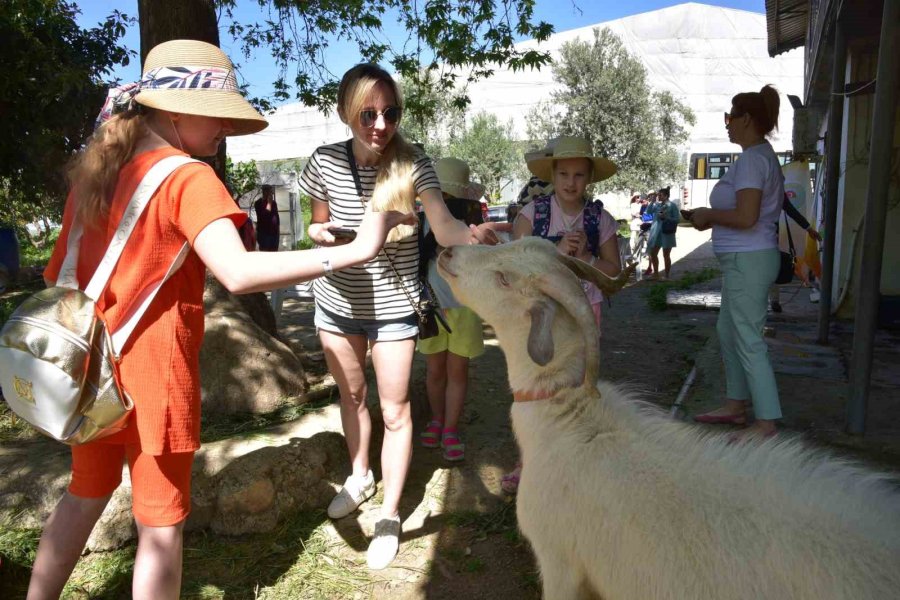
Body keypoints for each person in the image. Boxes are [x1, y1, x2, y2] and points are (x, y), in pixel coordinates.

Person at [26, 41, 413, 600]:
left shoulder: (101, 171)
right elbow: (238, 271)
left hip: (90, 373)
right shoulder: (187, 177)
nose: (225, 131)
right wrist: (357, 249)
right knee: (160, 528)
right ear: (177, 109)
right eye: (219, 116)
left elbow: (57, 275)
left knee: (85, 491)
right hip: (153, 380)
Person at [298, 63, 501, 570]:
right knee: (353, 395)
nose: (381, 124)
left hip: (393, 307)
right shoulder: (323, 161)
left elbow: (446, 224)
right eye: (368, 112)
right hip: (337, 302)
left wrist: (471, 235)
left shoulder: (414, 165)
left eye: (390, 112)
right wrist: (323, 235)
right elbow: (317, 226)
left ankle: (389, 515)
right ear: (348, 112)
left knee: (396, 410)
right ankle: (360, 474)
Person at [503, 135, 621, 493]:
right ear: (553, 175)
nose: (572, 182)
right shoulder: (531, 215)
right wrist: (553, 250)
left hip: (586, 309)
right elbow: (513, 267)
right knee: (535, 383)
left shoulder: (600, 219)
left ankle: (573, 456)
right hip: (542, 313)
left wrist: (585, 259)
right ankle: (528, 460)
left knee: (579, 382)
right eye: (565, 174)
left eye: (579, 175)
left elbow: (614, 273)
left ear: (590, 178)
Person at [688, 84, 785, 440]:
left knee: (747, 338)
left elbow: (746, 217)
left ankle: (766, 423)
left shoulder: (751, 160)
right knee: (728, 332)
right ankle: (735, 405)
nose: (727, 125)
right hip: (743, 261)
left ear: (746, 119)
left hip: (749, 260)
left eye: (730, 118)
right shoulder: (759, 156)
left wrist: (708, 215)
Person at [417, 158, 486, 462]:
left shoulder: (471, 227)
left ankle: (450, 428)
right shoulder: (419, 224)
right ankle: (436, 419)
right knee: (434, 372)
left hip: (464, 310)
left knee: (457, 373)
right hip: (430, 310)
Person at [769, 193, 822, 312]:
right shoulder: (760, 188)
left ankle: (773, 300)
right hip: (758, 239)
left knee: (769, 270)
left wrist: (808, 228)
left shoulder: (776, 191)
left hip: (768, 238)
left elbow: (791, 210)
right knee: (766, 270)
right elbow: (791, 210)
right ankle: (772, 301)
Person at [646, 186, 679, 280]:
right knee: (653, 253)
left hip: (667, 233)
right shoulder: (657, 205)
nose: (658, 196)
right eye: (658, 194)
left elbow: (677, 219)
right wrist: (652, 201)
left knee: (666, 255)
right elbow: (648, 212)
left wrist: (666, 218)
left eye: (660, 195)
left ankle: (667, 276)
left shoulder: (672, 205)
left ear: (666, 196)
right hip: (656, 234)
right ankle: (656, 274)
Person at [254, 184, 280, 251]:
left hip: (274, 233)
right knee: (265, 254)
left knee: (274, 253)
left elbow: (276, 216)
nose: (272, 194)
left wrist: (278, 229)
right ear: (264, 192)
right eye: (270, 192)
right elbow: (264, 216)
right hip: (264, 234)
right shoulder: (258, 203)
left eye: (271, 192)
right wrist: (269, 203)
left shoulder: (274, 203)